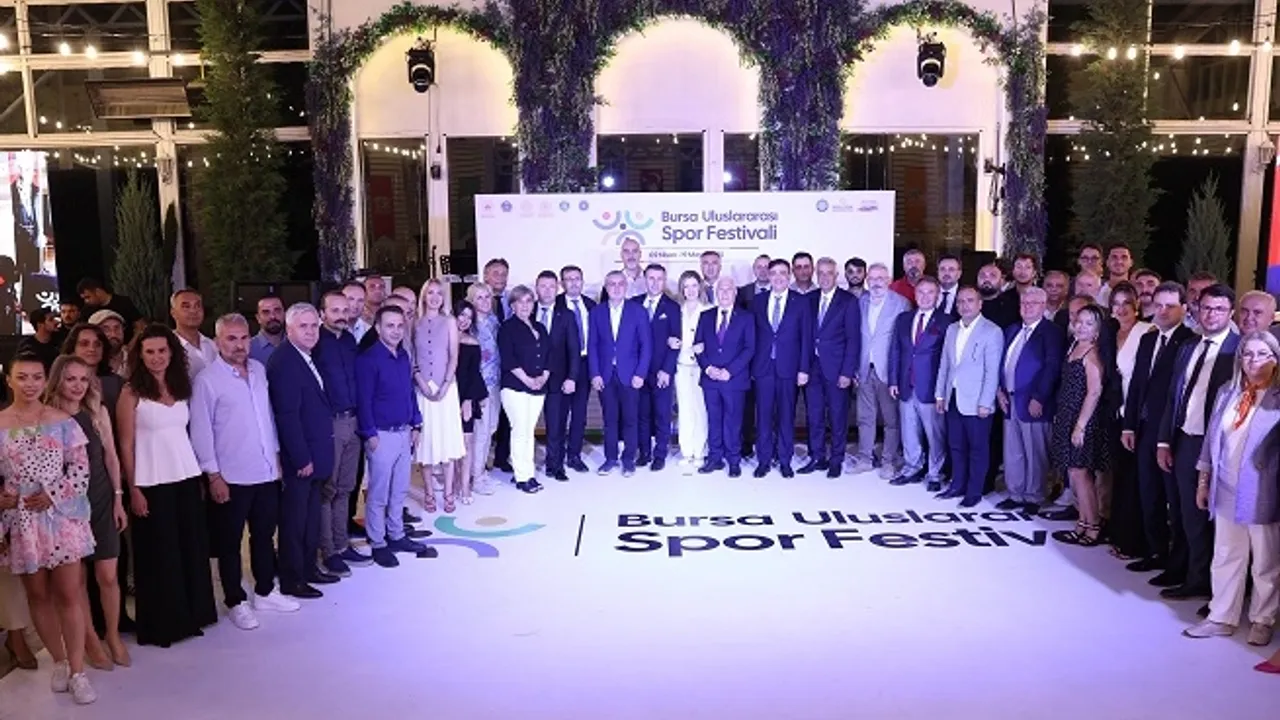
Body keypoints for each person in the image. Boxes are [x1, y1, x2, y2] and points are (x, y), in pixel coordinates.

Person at [189, 314, 300, 629]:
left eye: (243, 338)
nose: (239, 345)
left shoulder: (259, 371)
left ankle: (265, 591)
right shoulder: (207, 381)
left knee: (264, 536)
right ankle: (235, 600)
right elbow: (201, 431)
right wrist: (213, 475)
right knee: (229, 542)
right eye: (231, 339)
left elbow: (267, 418)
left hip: (265, 471)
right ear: (217, 342)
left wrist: (275, 457)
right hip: (231, 476)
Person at [0, 352, 96, 703]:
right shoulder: (0, 423)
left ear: (45, 380)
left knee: (69, 594)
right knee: (38, 595)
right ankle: (59, 661)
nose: (30, 384)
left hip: (61, 518)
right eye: (22, 377)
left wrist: (53, 494)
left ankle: (78, 671)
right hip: (20, 521)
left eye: (36, 377)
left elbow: (81, 470)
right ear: (9, 380)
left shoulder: (63, 421)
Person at [116, 325, 217, 649]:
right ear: (140, 355)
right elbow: (126, 445)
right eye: (150, 352)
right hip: (150, 482)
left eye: (162, 350)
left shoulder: (181, 385)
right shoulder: (131, 392)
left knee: (191, 548)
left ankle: (194, 615)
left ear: (172, 353)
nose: (157, 357)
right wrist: (133, 489)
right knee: (160, 555)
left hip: (186, 477)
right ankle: (164, 624)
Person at [1180, 331, 1280, 647]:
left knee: (1265, 560)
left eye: (1262, 354)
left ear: (1276, 358)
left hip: (1263, 490)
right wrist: (1203, 480)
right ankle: (1222, 616)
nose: (1254, 361)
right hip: (1225, 486)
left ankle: (1262, 619)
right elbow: (1211, 440)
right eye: (1247, 354)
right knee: (1225, 554)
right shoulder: (1228, 391)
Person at [43, 356, 129, 670]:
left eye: (83, 379)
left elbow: (112, 458)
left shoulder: (96, 411)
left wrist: (118, 498)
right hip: (65, 507)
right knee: (75, 581)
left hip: (102, 499)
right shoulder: (47, 416)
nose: (78, 386)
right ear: (57, 380)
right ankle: (91, 640)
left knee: (108, 575)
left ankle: (113, 636)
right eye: (71, 379)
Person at [1157, 283, 1240, 602]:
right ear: (1197, 309)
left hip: (1217, 447)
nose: (1211, 314)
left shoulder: (1239, 350)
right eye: (1206, 308)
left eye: (1219, 309)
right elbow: (1172, 397)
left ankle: (1210, 588)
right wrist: (1164, 441)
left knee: (1212, 521)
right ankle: (1188, 574)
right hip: (1184, 440)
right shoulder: (1189, 346)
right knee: (1184, 514)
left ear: (1230, 313)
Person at [1121, 282, 1194, 577]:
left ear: (1184, 309)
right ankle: (1155, 552)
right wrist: (1129, 425)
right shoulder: (1148, 339)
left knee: (1174, 501)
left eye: (1170, 306)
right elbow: (1137, 386)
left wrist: (1168, 437)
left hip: (1172, 434)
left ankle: (1178, 564)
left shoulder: (1190, 342)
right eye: (1158, 305)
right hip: (1143, 429)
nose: (1162, 311)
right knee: (1148, 493)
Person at [268, 304, 340, 595]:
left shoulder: (305, 356)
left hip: (314, 457)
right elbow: (287, 416)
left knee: (310, 520)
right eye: (303, 326)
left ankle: (309, 569)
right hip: (301, 461)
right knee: (294, 523)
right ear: (289, 330)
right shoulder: (285, 362)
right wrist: (301, 458)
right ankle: (293, 579)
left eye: (313, 326)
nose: (310, 331)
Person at [356, 305, 431, 567]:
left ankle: (396, 534)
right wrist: (369, 433)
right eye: (390, 325)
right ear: (378, 328)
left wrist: (416, 423)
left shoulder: (403, 356)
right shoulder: (368, 360)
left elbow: (409, 393)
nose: (396, 331)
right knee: (378, 494)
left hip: (404, 433)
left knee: (399, 490)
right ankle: (378, 542)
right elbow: (363, 400)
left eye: (400, 325)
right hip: (381, 435)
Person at [314, 291, 370, 576]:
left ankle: (342, 543)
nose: (341, 316)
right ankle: (328, 551)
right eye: (334, 310)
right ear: (322, 313)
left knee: (346, 488)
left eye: (345, 310)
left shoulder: (349, 340)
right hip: (330, 424)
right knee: (328, 490)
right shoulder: (315, 342)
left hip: (353, 420)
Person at [996, 287, 1065, 512]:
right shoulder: (1012, 329)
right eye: (1024, 303)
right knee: (1013, 450)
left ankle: (1034, 496)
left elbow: (1052, 367)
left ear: (1043, 306)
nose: (1027, 307)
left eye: (1033, 303)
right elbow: (1003, 362)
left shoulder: (1052, 332)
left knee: (1035, 451)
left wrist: (1040, 397)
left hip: (1034, 401)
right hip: (1010, 399)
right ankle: (1015, 494)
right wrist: (999, 390)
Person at [934, 288, 1004, 507]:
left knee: (977, 449)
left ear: (980, 304)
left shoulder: (992, 331)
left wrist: (986, 402)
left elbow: (992, 371)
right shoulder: (952, 329)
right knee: (956, 445)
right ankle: (957, 485)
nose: (965, 305)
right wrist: (940, 395)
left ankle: (974, 492)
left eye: (970, 301)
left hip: (977, 402)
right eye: (961, 301)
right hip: (953, 397)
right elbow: (945, 364)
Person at [1051, 305, 1111, 545]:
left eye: (1088, 323)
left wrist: (1080, 426)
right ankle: (1082, 522)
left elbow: (1094, 392)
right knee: (1073, 473)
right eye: (1079, 321)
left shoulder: (1093, 354)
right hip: (1067, 415)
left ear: (1097, 330)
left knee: (1081, 473)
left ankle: (1093, 525)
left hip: (1083, 419)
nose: (1081, 327)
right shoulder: (1074, 347)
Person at [1107, 282, 1156, 561]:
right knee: (1120, 476)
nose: (1121, 308)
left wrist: (1134, 418)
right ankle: (1119, 535)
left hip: (1137, 416)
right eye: (1116, 303)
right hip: (1116, 414)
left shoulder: (1146, 331)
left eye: (1127, 302)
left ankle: (1135, 543)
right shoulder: (1111, 332)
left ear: (1136, 305)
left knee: (1135, 480)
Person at [888, 276, 952, 489]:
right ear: (915, 295)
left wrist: (942, 390)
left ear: (937, 295)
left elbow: (948, 359)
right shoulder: (903, 319)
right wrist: (893, 380)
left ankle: (935, 474)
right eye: (921, 292)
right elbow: (896, 350)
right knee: (909, 431)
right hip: (906, 385)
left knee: (935, 435)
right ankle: (912, 467)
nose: (925, 297)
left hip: (931, 388)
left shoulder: (947, 321)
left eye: (930, 292)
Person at [751, 258, 811, 477]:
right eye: (773, 273)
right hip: (763, 368)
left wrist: (804, 369)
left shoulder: (801, 302)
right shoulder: (757, 301)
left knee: (786, 417)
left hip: (789, 369)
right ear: (768, 275)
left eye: (782, 273)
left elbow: (806, 338)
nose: (778, 277)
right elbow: (752, 336)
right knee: (763, 417)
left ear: (789, 276)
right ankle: (764, 460)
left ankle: (785, 460)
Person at [589, 271, 652, 476]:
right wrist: (595, 373)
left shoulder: (638, 311)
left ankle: (628, 460)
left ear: (626, 287)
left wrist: (640, 373)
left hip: (631, 376)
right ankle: (610, 459)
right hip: (606, 375)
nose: (616, 288)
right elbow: (593, 345)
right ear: (606, 287)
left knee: (631, 420)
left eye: (620, 284)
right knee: (610, 420)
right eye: (612, 284)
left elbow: (646, 345)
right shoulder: (597, 312)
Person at [413, 279, 467, 511]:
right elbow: (412, 357)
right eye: (430, 293)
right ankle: (428, 493)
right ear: (424, 296)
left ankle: (448, 493)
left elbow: (454, 355)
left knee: (447, 441)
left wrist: (445, 384)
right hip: (422, 389)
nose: (434, 297)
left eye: (439, 293)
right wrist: (421, 382)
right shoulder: (415, 323)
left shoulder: (450, 322)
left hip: (446, 389)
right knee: (426, 442)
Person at [694, 275, 755, 477]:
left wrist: (730, 371)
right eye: (721, 289)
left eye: (729, 289)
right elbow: (698, 346)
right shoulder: (705, 316)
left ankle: (734, 460)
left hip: (734, 380)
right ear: (716, 292)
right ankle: (715, 458)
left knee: (733, 422)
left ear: (735, 293)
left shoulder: (746, 317)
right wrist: (708, 368)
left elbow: (749, 348)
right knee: (714, 420)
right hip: (710, 380)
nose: (725, 293)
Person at [804, 257, 859, 478]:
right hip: (812, 367)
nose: (825, 277)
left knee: (837, 416)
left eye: (829, 273)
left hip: (837, 370)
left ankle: (836, 459)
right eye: (821, 273)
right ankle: (817, 457)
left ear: (836, 276)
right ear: (816, 275)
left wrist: (847, 372)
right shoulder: (809, 299)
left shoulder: (848, 301)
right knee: (814, 415)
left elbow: (853, 340)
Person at [855, 263, 909, 478]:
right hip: (863, 368)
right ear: (867, 280)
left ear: (888, 280)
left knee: (891, 420)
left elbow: (904, 342)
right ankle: (865, 459)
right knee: (864, 418)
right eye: (872, 278)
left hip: (888, 370)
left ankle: (888, 461)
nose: (876, 283)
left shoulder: (902, 303)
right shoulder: (860, 302)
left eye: (881, 278)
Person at [498, 285, 553, 492]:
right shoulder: (507, 328)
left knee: (528, 432)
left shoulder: (540, 327)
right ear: (512, 305)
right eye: (520, 301)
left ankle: (525, 471)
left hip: (538, 387)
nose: (525, 305)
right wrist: (528, 380)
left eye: (528, 301)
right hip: (515, 387)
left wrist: (543, 376)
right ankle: (523, 477)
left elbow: (548, 355)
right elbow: (508, 359)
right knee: (520, 431)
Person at [535, 272, 582, 482]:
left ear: (558, 289)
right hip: (529, 380)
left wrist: (572, 377)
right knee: (524, 427)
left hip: (558, 379)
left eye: (551, 286)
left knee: (556, 425)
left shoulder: (567, 315)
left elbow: (574, 349)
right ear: (536, 288)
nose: (547, 291)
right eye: (542, 286)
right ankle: (523, 468)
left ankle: (555, 465)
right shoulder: (527, 310)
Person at [634, 264, 680, 471]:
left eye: (659, 279)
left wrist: (667, 370)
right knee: (642, 415)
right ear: (645, 279)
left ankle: (660, 454)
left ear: (664, 281)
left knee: (662, 415)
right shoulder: (634, 304)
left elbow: (676, 341)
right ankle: (644, 453)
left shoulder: (672, 307)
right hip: (639, 372)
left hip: (662, 372)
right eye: (651, 278)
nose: (655, 283)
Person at [554, 266, 596, 474]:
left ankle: (574, 456)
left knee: (579, 414)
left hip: (585, 364)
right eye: (568, 279)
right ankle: (556, 457)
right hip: (562, 366)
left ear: (582, 281)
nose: (573, 282)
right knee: (559, 414)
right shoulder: (555, 304)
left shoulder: (591, 305)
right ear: (562, 283)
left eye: (577, 278)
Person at [466, 282, 503, 494]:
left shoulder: (493, 321)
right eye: (479, 297)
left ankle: (480, 471)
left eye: (487, 296)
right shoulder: (470, 326)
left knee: (490, 428)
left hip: (495, 382)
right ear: (471, 301)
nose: (484, 301)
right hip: (480, 386)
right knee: (480, 432)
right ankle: (476, 478)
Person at [674, 271, 711, 470]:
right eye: (686, 286)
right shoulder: (676, 310)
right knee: (685, 409)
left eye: (694, 285)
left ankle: (700, 451)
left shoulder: (709, 310)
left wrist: (706, 346)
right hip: (681, 366)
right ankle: (686, 451)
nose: (690, 290)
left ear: (700, 287)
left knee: (700, 409)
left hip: (701, 367)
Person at [453, 301, 488, 504]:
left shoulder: (472, 342)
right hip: (445, 398)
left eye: (469, 317)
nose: (465, 320)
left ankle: (465, 486)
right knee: (451, 444)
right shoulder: (443, 338)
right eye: (462, 315)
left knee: (466, 443)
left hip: (466, 396)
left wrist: (468, 400)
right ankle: (453, 483)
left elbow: (473, 374)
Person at [170, 289, 217, 379]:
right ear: (173, 313)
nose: (193, 311)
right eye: (186, 306)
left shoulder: (212, 345)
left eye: (197, 306)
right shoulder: (168, 347)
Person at [77, 277, 142, 340]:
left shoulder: (123, 302)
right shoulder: (86, 311)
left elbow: (140, 326)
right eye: (84, 298)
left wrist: (131, 345)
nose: (86, 301)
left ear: (97, 291)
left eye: (88, 297)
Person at [88, 310, 129, 376]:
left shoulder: (135, 359)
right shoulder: (85, 364)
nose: (113, 334)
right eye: (106, 330)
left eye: (117, 328)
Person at [249, 294, 285, 365]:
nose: (272, 316)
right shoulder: (248, 349)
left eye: (277, 311)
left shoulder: (297, 345)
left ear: (284, 314)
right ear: (258, 318)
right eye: (266, 312)